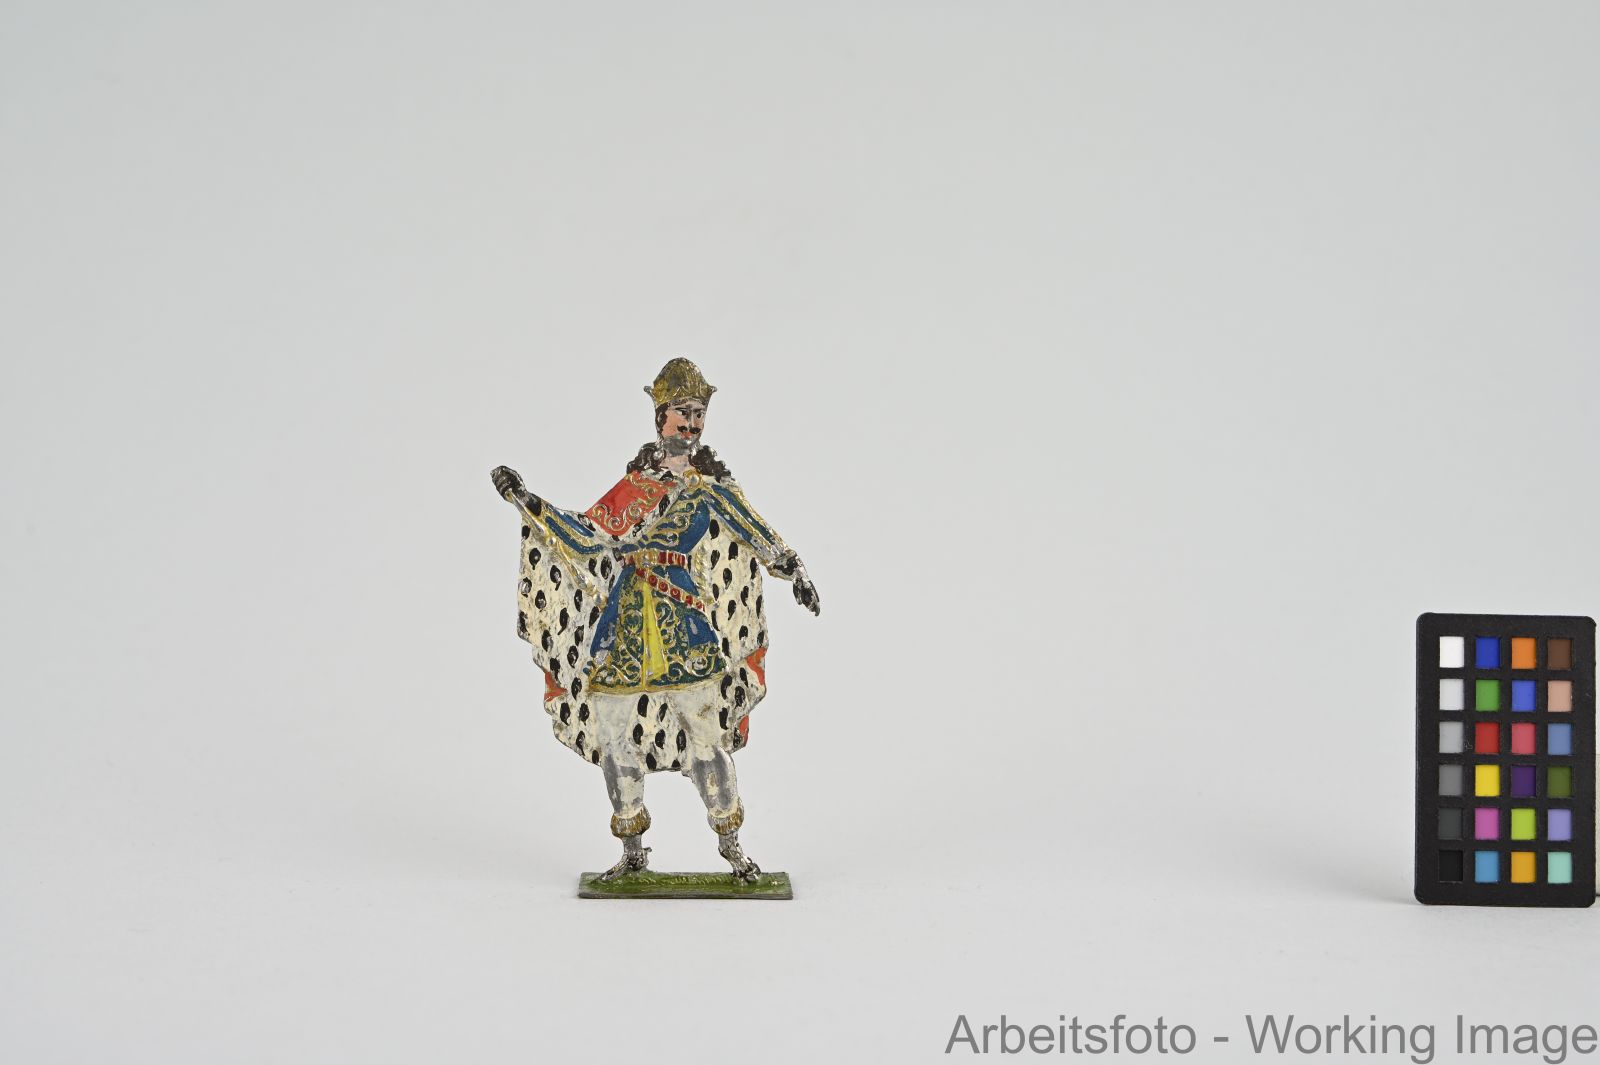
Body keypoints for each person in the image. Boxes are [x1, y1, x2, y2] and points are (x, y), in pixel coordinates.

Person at [491, 358, 819, 881]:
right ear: (660, 417)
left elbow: (756, 532)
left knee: (706, 737)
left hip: (683, 620)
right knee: (613, 736)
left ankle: (732, 848)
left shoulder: (711, 489)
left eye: (698, 412)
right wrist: (526, 500)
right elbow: (585, 536)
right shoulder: (633, 488)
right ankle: (632, 851)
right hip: (623, 620)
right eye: (682, 412)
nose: (691, 423)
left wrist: (793, 569)